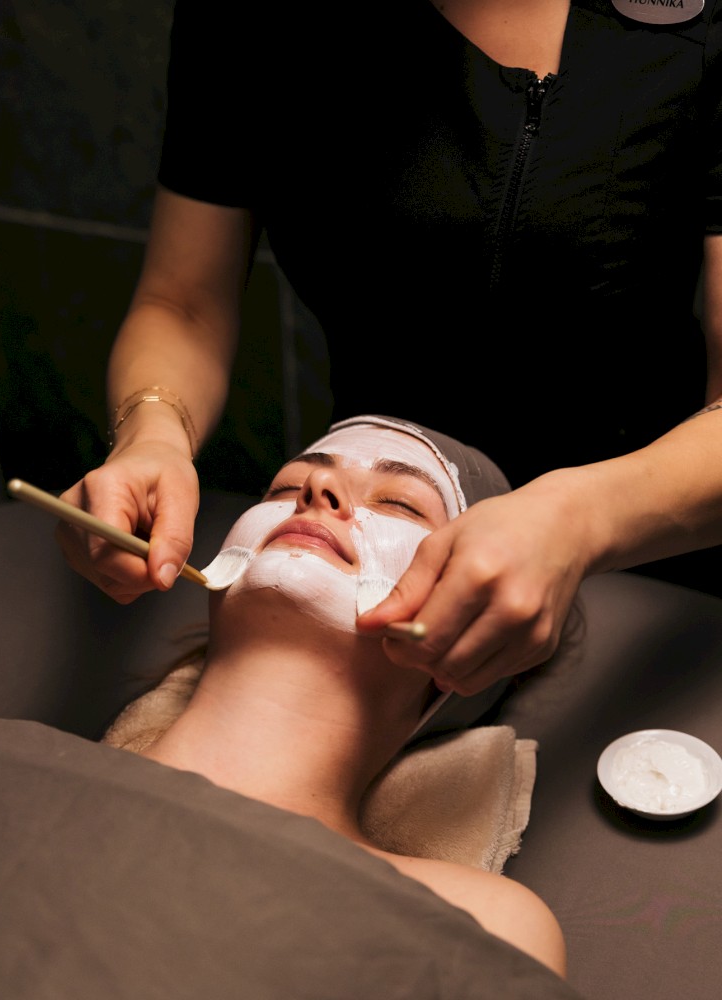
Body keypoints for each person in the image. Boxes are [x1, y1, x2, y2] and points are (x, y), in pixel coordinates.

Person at [57, 0, 722, 699]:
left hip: (658, 564)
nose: (312, 493)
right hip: (383, 606)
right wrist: (152, 435)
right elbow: (183, 305)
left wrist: (581, 518)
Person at [101, 414, 568, 978]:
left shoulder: (477, 925)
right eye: (283, 487)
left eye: (401, 503)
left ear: (461, 649)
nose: (316, 491)